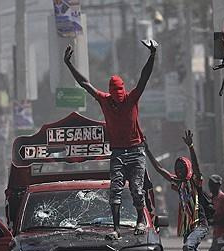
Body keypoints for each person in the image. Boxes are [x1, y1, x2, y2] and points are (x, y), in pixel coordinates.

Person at [64, 39, 157, 239]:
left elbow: (144, 77)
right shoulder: (104, 100)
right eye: (115, 94)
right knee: (114, 191)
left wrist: (152, 55)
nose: (118, 97)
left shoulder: (132, 98)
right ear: (110, 92)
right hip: (117, 152)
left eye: (120, 93)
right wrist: (69, 64)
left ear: (124, 90)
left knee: (137, 190)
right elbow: (84, 83)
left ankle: (140, 220)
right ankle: (115, 229)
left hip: (136, 151)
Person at [144, 131, 210, 251]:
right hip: (188, 227)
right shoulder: (177, 182)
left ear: (187, 169)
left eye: (182, 168)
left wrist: (191, 147)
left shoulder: (194, 181)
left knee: (188, 248)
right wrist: (147, 150)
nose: (179, 170)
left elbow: (196, 167)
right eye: (177, 168)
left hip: (199, 224)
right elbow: (159, 169)